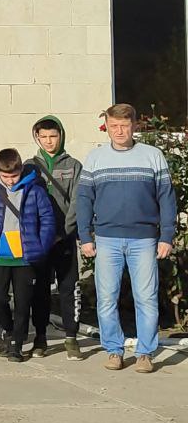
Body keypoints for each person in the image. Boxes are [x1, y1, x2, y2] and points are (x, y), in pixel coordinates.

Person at [76, 103, 177, 374]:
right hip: (106, 239)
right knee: (106, 299)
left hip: (144, 240)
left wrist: (166, 236)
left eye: (124, 125)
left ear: (134, 126)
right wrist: (85, 236)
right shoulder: (95, 158)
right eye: (114, 126)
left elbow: (167, 199)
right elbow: (84, 199)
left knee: (146, 298)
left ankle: (145, 353)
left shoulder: (153, 156)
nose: (119, 131)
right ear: (107, 127)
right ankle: (114, 350)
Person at [0, 148, 56, 363]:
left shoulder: (35, 190)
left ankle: (17, 342)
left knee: (23, 301)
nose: (10, 180)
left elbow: (47, 219)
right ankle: (7, 330)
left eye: (14, 176)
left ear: (21, 170)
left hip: (25, 256)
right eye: (5, 176)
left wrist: (41, 247)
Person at [26, 115, 83, 360]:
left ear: (61, 136)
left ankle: (71, 337)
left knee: (69, 288)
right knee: (39, 289)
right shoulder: (30, 166)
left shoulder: (74, 166)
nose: (49, 141)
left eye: (53, 136)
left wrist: (63, 232)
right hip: (39, 240)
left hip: (64, 238)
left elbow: (78, 201)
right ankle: (40, 337)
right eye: (44, 137)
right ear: (37, 138)